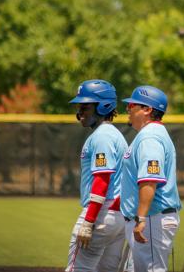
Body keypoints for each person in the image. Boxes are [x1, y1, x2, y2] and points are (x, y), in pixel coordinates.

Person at [65, 79, 129, 272]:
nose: (79, 113)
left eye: (84, 107)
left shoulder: (103, 136)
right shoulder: (113, 134)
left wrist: (89, 221)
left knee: (79, 268)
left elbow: (102, 180)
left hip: (101, 213)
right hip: (118, 215)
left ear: (103, 106)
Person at [120, 85, 182, 272]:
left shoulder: (150, 138)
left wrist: (140, 219)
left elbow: (149, 180)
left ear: (147, 109)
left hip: (151, 218)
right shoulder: (151, 135)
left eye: (131, 105)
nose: (128, 110)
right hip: (150, 218)